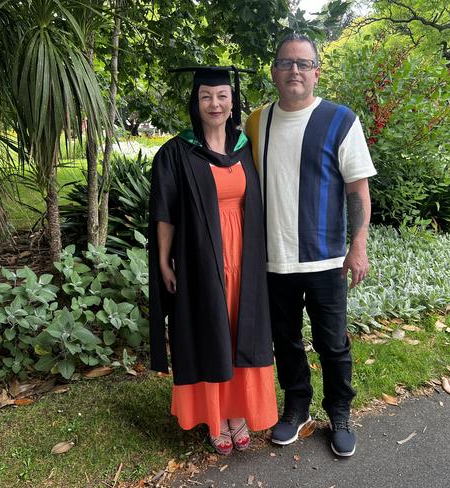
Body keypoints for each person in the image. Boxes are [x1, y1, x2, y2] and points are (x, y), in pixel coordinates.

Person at [245, 34, 377, 457]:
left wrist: (358, 246)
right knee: (284, 341)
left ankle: (339, 412)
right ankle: (297, 407)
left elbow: (358, 190)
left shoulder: (340, 120)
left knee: (332, 342)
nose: (295, 70)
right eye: (286, 63)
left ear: (317, 72)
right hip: (273, 259)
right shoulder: (255, 121)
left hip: (326, 260)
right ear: (274, 71)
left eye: (303, 64)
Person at [148, 66, 278, 455]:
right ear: (196, 102)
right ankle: (216, 415)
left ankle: (239, 410)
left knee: (244, 330)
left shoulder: (247, 146)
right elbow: (165, 213)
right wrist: (165, 261)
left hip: (246, 258)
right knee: (211, 330)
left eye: (222, 96)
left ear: (232, 101)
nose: (215, 104)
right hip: (202, 260)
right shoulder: (176, 152)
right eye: (206, 96)